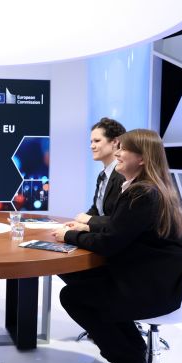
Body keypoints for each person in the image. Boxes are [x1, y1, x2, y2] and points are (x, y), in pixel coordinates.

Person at [52, 129, 182, 363]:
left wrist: (68, 235)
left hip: (150, 287)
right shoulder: (150, 189)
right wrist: (87, 229)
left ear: (141, 158)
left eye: (123, 149)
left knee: (73, 296)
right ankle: (134, 352)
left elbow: (110, 243)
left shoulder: (141, 195)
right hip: (156, 280)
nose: (117, 153)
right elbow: (120, 228)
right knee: (78, 279)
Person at [61, 117, 125, 286]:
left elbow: (117, 221)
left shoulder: (124, 177)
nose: (92, 146)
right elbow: (97, 210)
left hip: (113, 248)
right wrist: (77, 223)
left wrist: (87, 221)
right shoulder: (103, 175)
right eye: (91, 141)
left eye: (97, 141)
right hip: (102, 236)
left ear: (115, 143)